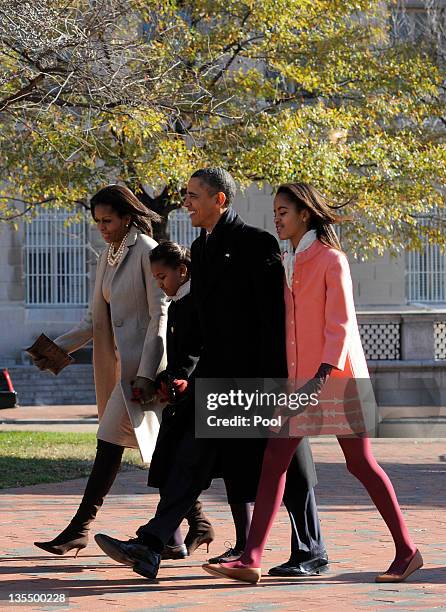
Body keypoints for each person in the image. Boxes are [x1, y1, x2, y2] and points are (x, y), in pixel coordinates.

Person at [95, 169, 327, 580]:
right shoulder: (200, 251)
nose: (186, 202)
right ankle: (152, 543)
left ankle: (310, 548)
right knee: (193, 459)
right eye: (185, 195)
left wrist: (280, 387)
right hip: (218, 381)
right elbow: (200, 325)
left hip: (260, 380)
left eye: (193, 195)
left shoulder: (257, 244)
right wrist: (182, 373)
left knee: (290, 465)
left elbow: (275, 322)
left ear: (220, 199)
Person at [202, 182, 423, 584]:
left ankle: (407, 551)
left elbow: (339, 325)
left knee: (361, 464)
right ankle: (250, 557)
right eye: (275, 212)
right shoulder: (289, 259)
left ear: (304, 213)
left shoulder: (330, 260)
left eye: (283, 211)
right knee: (274, 461)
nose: (277, 218)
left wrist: (319, 379)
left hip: (336, 379)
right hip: (299, 382)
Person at [33, 184, 169, 556]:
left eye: (108, 220)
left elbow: (160, 315)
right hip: (122, 372)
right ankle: (197, 524)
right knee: (159, 454)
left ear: (127, 217)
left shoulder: (147, 250)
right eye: (97, 222)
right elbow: (94, 320)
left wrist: (148, 371)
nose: (102, 227)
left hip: (143, 375)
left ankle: (79, 529)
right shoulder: (107, 256)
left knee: (110, 444)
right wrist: (55, 349)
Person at [148, 241, 214, 559]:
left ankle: (241, 541)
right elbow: (177, 358)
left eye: (162, 277)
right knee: (169, 465)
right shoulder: (175, 306)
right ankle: (180, 534)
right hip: (181, 398)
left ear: (183, 271)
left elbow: (201, 352)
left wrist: (186, 380)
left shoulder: (201, 302)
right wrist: (165, 380)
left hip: (203, 398)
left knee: (193, 470)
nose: (160, 284)